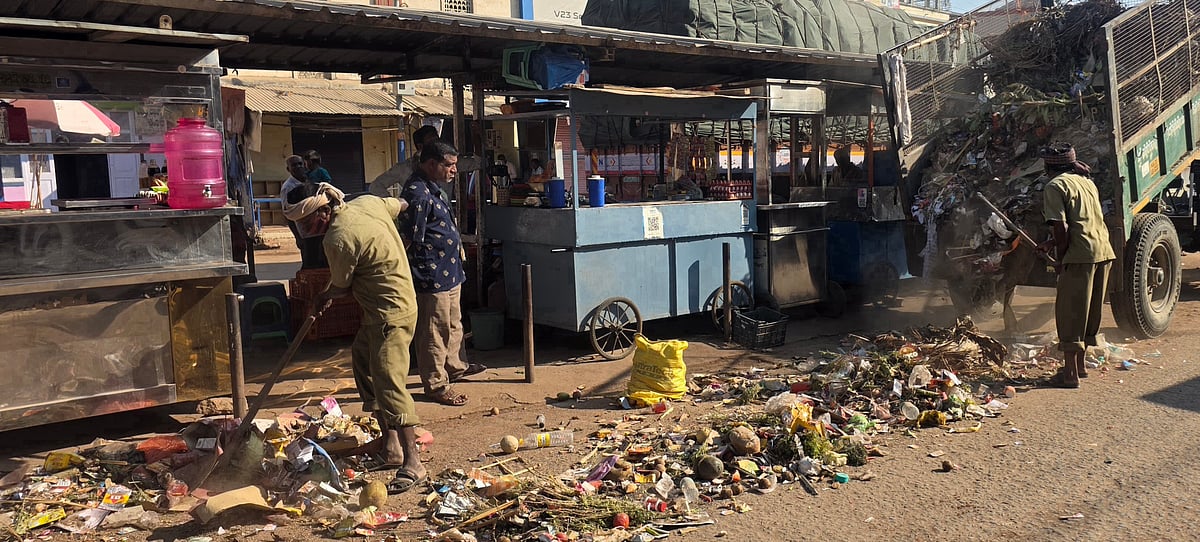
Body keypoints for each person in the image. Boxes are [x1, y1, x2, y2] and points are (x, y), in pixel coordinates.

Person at [285, 181, 427, 493]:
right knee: (363, 362)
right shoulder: (367, 204)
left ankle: (414, 462)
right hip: (380, 312)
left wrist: (321, 298)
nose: (305, 231)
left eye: (307, 224)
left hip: (392, 313)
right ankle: (391, 447)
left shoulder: (338, 238)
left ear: (324, 212)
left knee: (389, 381)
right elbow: (398, 204)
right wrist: (411, 202)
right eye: (299, 225)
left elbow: (342, 285)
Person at [398, 141, 487, 406]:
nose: (453, 170)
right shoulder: (417, 194)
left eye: (455, 165)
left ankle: (455, 366)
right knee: (433, 330)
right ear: (431, 164)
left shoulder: (434, 189)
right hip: (431, 273)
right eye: (449, 165)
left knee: (453, 323)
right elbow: (410, 239)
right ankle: (436, 384)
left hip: (450, 269)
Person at [1037, 142, 1115, 388]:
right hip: (1103, 251)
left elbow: (1062, 226)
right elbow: (1083, 221)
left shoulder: (1054, 186)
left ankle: (1069, 374)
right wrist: (1050, 244)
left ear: (1049, 166)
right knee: (1089, 311)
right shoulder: (1087, 182)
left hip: (1080, 255)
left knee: (1071, 312)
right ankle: (1080, 367)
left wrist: (1060, 258)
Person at [280, 155, 309, 249]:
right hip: (303, 231)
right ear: (288, 169)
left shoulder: (308, 180)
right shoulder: (288, 187)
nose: (298, 167)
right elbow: (288, 213)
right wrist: (297, 237)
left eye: (300, 164)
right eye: (294, 165)